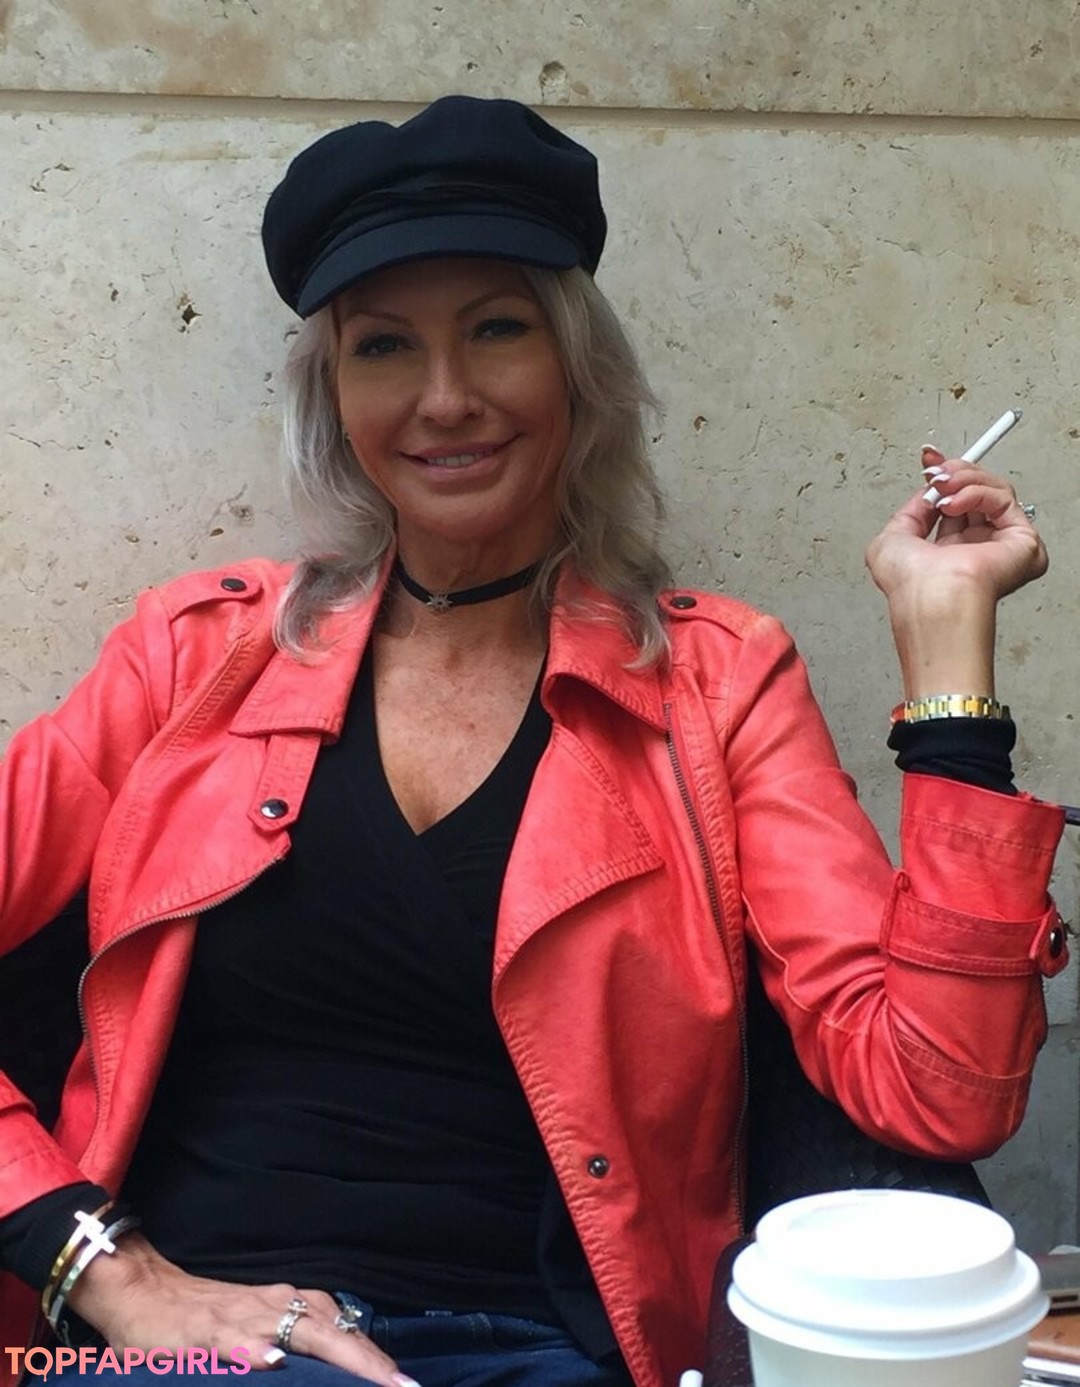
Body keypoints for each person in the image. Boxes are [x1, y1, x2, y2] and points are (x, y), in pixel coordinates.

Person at [0, 94, 1067, 1387]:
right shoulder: (192, 657)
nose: (445, 398)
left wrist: (948, 655)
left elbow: (939, 1092)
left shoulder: (717, 683)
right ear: (335, 396)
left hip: (541, 1350)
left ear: (579, 370)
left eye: (497, 329)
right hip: (198, 1349)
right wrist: (109, 1274)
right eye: (383, 347)